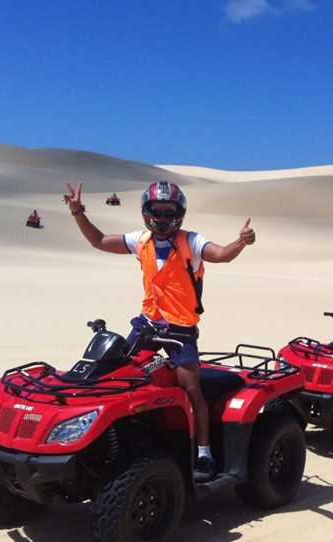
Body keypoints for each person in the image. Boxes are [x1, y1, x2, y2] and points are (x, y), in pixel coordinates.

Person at [63, 180, 255, 482]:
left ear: (178, 214)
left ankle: (204, 452)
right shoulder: (141, 241)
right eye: (157, 211)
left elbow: (221, 254)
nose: (163, 218)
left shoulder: (191, 242)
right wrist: (77, 213)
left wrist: (240, 241)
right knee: (118, 374)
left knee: (191, 390)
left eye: (169, 212)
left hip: (181, 329)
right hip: (148, 323)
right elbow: (99, 241)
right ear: (146, 212)